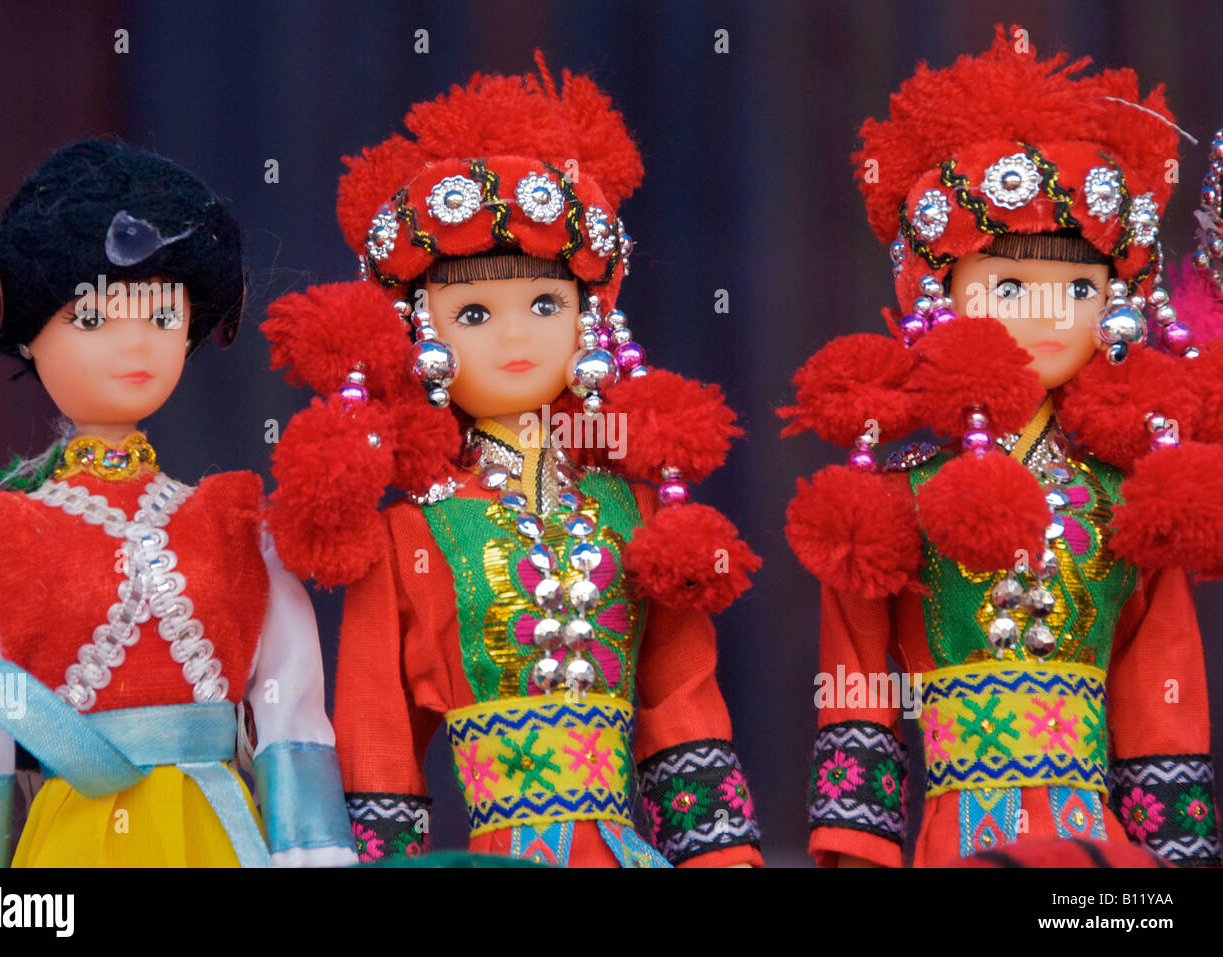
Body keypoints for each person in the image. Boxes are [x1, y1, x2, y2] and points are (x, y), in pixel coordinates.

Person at [264, 54, 763, 867]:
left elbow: (680, 701)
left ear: (587, 321)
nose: (515, 335)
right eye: (472, 311)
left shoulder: (632, 506)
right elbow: (376, 735)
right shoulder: (408, 532)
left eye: (544, 303)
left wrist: (719, 856)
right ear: (422, 336)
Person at [782, 26, 1222, 867]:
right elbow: (859, 700)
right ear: (938, 294)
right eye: (1009, 284)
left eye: (1080, 288)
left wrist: (1171, 869)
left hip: (1104, 865)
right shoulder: (891, 494)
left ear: (1118, 303)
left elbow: (1161, 702)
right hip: (954, 844)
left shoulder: (1136, 497)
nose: (1049, 314)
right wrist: (854, 851)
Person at [0, 139, 356, 867]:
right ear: (31, 336)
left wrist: (312, 851)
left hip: (216, 836)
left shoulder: (238, 525)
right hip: (70, 845)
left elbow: (291, 715)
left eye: (161, 317)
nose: (136, 344)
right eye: (93, 320)